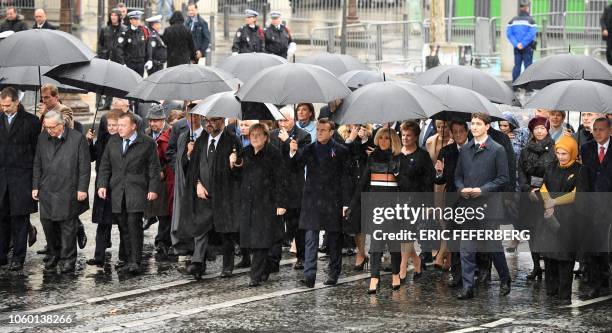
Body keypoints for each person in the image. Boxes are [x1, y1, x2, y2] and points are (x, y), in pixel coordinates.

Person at [288, 118, 352, 288]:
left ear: (331, 132)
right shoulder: (309, 149)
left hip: (333, 199)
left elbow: (346, 178)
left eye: (323, 130)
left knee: (334, 239)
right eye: (318, 129)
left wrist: (346, 202)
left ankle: (333, 272)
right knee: (310, 238)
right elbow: (294, 167)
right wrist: (293, 152)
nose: (319, 132)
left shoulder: (341, 150)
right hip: (312, 199)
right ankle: (309, 275)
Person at [455, 113, 511, 300]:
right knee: (466, 249)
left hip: (489, 205)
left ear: (487, 126)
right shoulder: (465, 149)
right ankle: (468, 286)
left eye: (479, 124)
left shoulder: (497, 149)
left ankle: (505, 278)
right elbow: (458, 176)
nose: (475, 127)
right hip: (468, 205)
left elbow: (503, 178)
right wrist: (462, 189)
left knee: (493, 246)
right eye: (473, 124)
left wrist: (482, 189)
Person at [97, 113, 161, 274]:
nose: (119, 128)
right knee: (123, 225)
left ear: (133, 126)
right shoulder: (113, 141)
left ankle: (135, 261)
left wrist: (153, 189)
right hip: (118, 190)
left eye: (122, 125)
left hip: (137, 189)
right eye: (118, 125)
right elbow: (105, 165)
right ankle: (126, 259)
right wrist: (102, 185)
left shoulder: (147, 143)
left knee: (134, 225)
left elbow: (154, 168)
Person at [179, 116, 242, 279]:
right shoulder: (201, 140)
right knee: (201, 228)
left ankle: (228, 266)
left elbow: (241, 170)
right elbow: (193, 168)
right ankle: (198, 263)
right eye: (206, 120)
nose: (208, 124)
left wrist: (235, 163)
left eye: (213, 120)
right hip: (203, 192)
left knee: (226, 231)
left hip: (224, 194)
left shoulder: (232, 140)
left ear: (222, 120)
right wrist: (197, 183)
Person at [33, 110, 90, 274]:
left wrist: (82, 189)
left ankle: (68, 259)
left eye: (52, 128)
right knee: (48, 225)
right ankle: (54, 254)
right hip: (47, 189)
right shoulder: (42, 137)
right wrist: (35, 185)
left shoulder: (77, 138)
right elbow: (37, 162)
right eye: (46, 127)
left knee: (67, 227)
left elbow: (84, 167)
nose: (49, 131)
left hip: (68, 188)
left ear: (61, 125)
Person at [229, 123, 287, 286]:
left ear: (266, 137)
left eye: (258, 135)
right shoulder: (245, 152)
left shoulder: (274, 154)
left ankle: (255, 275)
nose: (254, 138)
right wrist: (233, 164)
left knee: (261, 240)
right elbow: (237, 177)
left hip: (266, 203)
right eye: (252, 135)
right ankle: (265, 268)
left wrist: (280, 203)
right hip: (248, 203)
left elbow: (281, 180)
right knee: (252, 240)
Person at [350, 128, 403, 293]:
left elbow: (406, 185)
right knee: (376, 243)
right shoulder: (372, 157)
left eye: (387, 138)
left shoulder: (399, 158)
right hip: (376, 205)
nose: (383, 141)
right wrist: (352, 205)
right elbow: (363, 182)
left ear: (393, 140)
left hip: (394, 206)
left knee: (393, 243)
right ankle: (374, 277)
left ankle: (395, 273)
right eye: (380, 138)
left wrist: (397, 172)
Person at [537, 135, 582, 302]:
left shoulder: (579, 170)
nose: (561, 157)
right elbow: (543, 186)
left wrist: (554, 202)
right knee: (549, 255)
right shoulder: (551, 167)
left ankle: (564, 294)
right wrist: (548, 202)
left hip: (569, 218)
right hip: (550, 215)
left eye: (565, 153)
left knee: (565, 257)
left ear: (572, 152)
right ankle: (551, 291)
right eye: (558, 153)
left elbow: (576, 194)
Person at [0, 87, 40, 271]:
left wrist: (35, 181)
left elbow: (37, 153)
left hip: (22, 178)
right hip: (2, 179)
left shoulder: (31, 122)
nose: (4, 108)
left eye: (8, 105)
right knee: (2, 219)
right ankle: (1, 255)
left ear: (17, 102)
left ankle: (18, 257)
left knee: (20, 220)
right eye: (2, 105)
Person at [269, 106, 311, 270]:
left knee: (296, 226)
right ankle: (273, 260)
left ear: (293, 120)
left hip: (294, 188)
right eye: (279, 120)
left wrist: (288, 142)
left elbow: (302, 160)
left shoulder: (303, 136)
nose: (282, 123)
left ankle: (302, 257)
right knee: (275, 225)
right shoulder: (272, 135)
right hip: (276, 187)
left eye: (285, 120)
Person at [518, 116, 556, 281]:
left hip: (547, 194)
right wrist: (528, 189)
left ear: (547, 129)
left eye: (543, 128)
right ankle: (536, 267)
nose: (540, 131)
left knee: (547, 232)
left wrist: (542, 191)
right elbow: (520, 172)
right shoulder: (525, 150)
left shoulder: (554, 148)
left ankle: (550, 267)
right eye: (536, 129)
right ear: (532, 131)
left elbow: (555, 172)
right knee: (532, 233)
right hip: (530, 196)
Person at [85, 109, 124, 267]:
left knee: (123, 223)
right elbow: (92, 157)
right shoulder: (103, 138)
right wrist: (89, 142)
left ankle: (124, 257)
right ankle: (99, 256)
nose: (112, 128)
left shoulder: (124, 140)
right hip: (103, 184)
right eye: (110, 125)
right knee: (103, 222)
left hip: (118, 185)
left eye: (115, 125)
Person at [580, 117, 612, 299]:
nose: (597, 133)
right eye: (595, 129)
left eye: (601, 129)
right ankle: (595, 284)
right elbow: (584, 177)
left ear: (609, 131)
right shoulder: (586, 148)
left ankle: (607, 278)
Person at [435, 120, 469, 287]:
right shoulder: (446, 151)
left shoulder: (474, 149)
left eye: (460, 131)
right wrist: (439, 171)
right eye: (454, 131)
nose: (457, 135)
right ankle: (457, 274)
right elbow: (440, 179)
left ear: (467, 131)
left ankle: (477, 270)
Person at [144, 104, 174, 256]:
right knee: (152, 207)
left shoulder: (170, 132)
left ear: (162, 119)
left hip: (164, 178)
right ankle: (151, 221)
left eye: (155, 120)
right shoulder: (147, 133)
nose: (152, 124)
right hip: (150, 177)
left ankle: (163, 241)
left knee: (164, 211)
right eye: (150, 120)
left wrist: (162, 171)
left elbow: (171, 156)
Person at [97, 8, 127, 110]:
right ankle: (100, 103)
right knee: (102, 82)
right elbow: (100, 44)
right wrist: (102, 56)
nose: (113, 17)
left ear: (119, 17)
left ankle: (112, 103)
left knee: (115, 83)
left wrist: (124, 59)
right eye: (112, 15)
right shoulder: (105, 29)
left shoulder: (124, 29)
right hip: (106, 59)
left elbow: (126, 46)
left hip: (118, 60)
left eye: (115, 15)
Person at [506, 0, 537, 82]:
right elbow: (531, 34)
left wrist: (517, 44)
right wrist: (523, 44)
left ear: (520, 9)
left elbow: (509, 34)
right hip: (528, 46)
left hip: (517, 47)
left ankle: (516, 85)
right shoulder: (531, 21)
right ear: (527, 8)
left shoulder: (512, 21)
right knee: (528, 66)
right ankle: (527, 85)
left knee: (517, 65)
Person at [124, 11, 148, 76]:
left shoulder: (143, 31)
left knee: (140, 82)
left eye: (138, 19)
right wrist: (123, 62)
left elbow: (147, 47)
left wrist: (148, 59)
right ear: (130, 20)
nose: (137, 21)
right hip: (130, 63)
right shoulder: (126, 32)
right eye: (135, 19)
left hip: (140, 63)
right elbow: (122, 48)